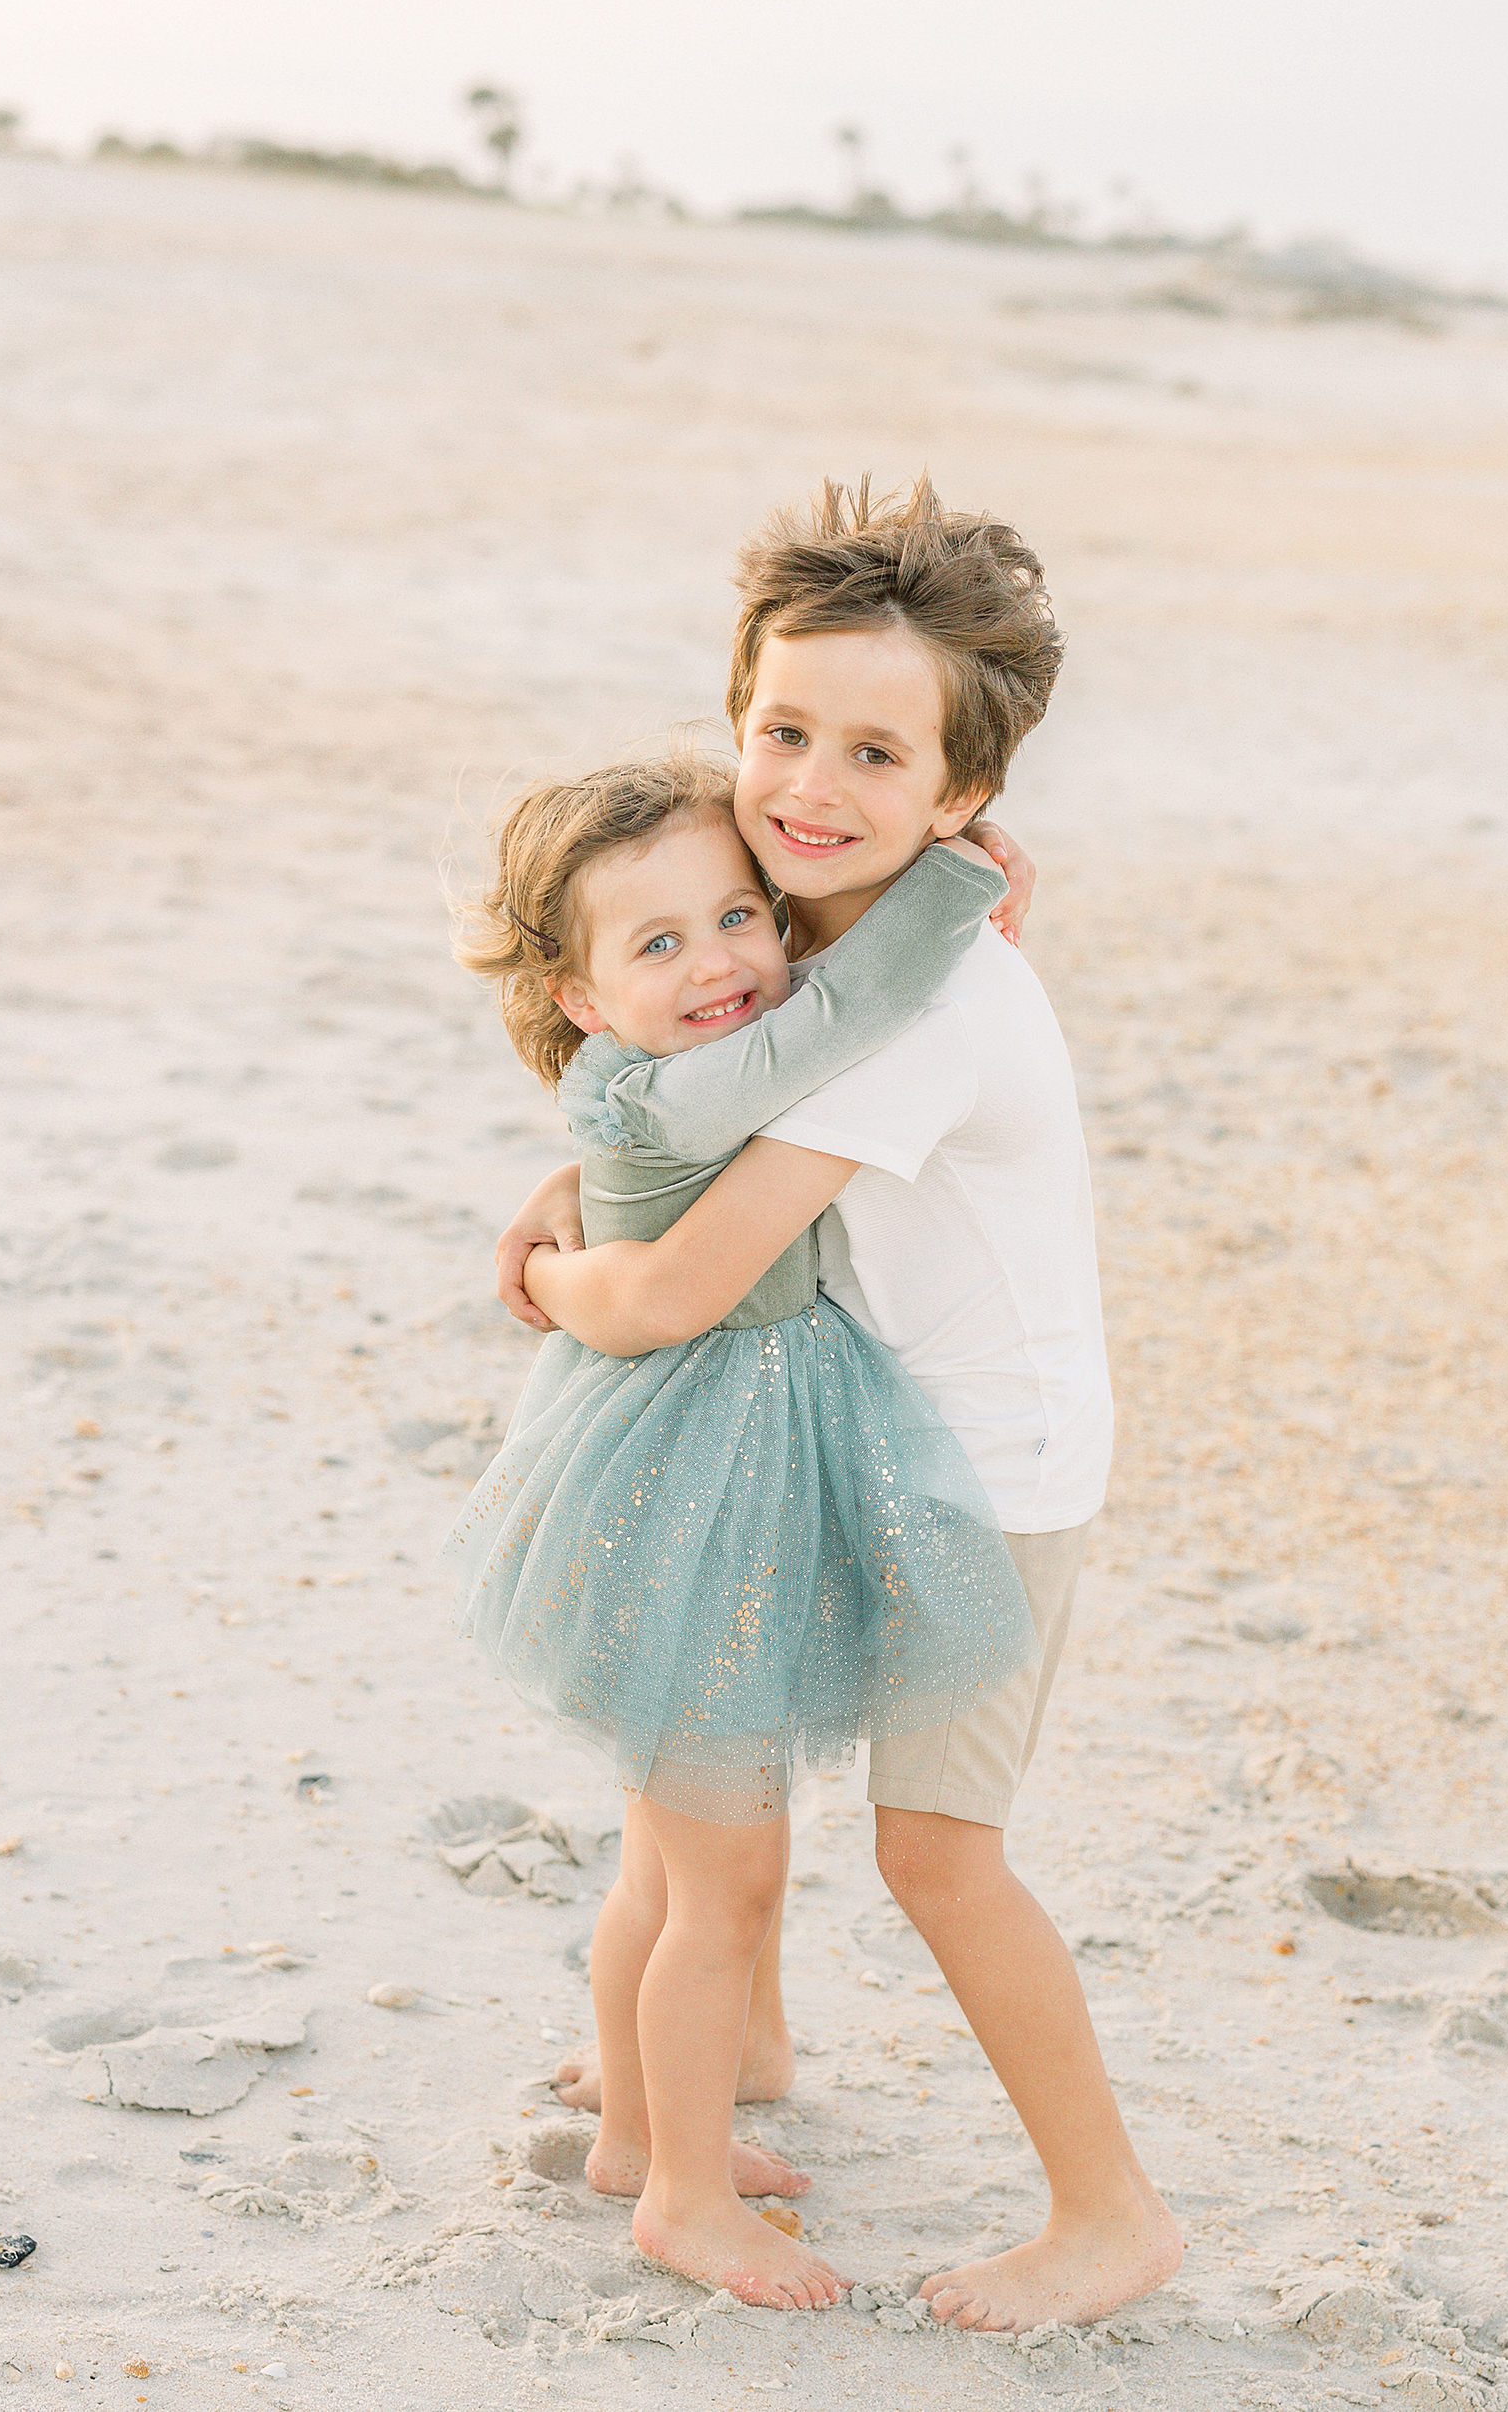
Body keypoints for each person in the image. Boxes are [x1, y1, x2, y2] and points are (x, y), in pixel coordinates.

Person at [503, 478, 1184, 2334]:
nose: (807, 783)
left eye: (875, 753)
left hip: (996, 1468)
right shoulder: (823, 924)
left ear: (962, 793)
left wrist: (552, 1268)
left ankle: (1107, 2210)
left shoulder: (919, 1007)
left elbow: (676, 1285)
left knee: (936, 1850)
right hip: (873, 1435)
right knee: (723, 1768)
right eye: (782, 731)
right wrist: (585, 1176)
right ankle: (722, 2062)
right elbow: (670, 1071)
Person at [448, 746, 1039, 2308]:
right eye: (657, 945)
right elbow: (850, 1012)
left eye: (737, 915)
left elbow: (812, 998)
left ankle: (642, 2136)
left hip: (709, 1473)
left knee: (663, 1854)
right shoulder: (697, 1085)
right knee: (726, 1885)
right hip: (687, 1492)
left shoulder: (639, 1080)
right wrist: (961, 876)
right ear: (579, 1000)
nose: (718, 963)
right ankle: (686, 2199)